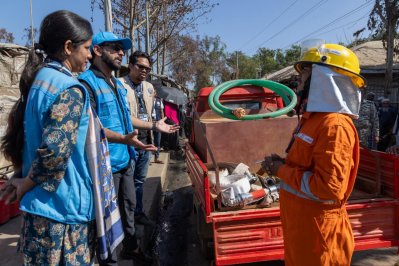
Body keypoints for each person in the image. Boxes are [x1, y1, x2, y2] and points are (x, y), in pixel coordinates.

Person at [0, 10, 102, 265]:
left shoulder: (40, 80)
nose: (90, 56)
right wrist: (24, 183)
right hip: (64, 211)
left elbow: (30, 137)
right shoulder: (70, 89)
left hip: (39, 208)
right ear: (69, 47)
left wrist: (21, 177)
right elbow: (54, 154)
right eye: (87, 48)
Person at [263, 42, 364, 266]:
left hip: (320, 241)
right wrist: (284, 164)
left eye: (305, 72)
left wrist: (281, 170)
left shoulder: (334, 126)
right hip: (304, 232)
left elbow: (329, 188)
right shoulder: (313, 120)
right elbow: (305, 166)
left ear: (325, 77)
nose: (297, 78)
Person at [79, 32, 156, 264]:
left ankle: (130, 248)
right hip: (105, 166)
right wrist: (124, 139)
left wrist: (153, 126)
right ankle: (109, 260)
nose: (121, 53)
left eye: (122, 49)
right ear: (97, 51)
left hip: (126, 159)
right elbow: (92, 128)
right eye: (114, 48)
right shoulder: (86, 83)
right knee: (106, 220)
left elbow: (127, 118)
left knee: (129, 207)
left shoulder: (116, 83)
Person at [119, 50, 178, 226]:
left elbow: (150, 114)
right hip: (128, 141)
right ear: (130, 65)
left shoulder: (149, 87)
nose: (144, 71)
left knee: (139, 181)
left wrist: (154, 129)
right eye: (141, 67)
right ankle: (126, 221)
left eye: (148, 68)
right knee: (126, 185)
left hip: (146, 141)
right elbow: (125, 116)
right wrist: (153, 125)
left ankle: (138, 214)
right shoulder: (119, 85)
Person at [152, 90, 165, 163]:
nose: (152, 93)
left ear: (155, 93)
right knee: (150, 140)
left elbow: (161, 112)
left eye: (153, 92)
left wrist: (162, 121)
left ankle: (156, 158)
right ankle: (148, 158)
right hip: (149, 123)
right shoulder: (146, 100)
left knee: (157, 140)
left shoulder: (159, 101)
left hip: (158, 123)